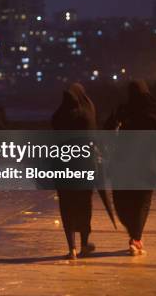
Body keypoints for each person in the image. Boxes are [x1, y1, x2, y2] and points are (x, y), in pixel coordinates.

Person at [111, 80, 156, 256]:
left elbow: (108, 128)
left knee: (125, 200)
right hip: (147, 165)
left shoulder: (125, 110)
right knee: (141, 202)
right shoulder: (152, 110)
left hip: (126, 164)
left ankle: (135, 236)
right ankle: (135, 237)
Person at [51, 83, 97, 259]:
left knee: (67, 207)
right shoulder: (87, 115)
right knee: (84, 205)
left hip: (63, 168)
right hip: (84, 167)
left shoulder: (58, 116)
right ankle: (85, 244)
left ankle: (72, 249)